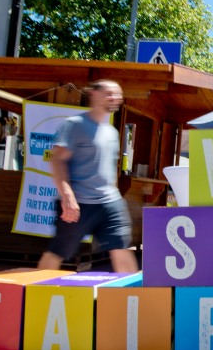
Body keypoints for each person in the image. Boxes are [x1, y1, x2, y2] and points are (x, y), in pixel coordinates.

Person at [37, 80, 138, 273]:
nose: (114, 98)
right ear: (93, 94)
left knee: (121, 250)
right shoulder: (75, 125)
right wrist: (67, 197)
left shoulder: (112, 132)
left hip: (110, 203)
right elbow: (58, 161)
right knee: (57, 252)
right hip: (78, 203)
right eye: (109, 93)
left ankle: (132, 300)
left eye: (117, 94)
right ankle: (34, 296)